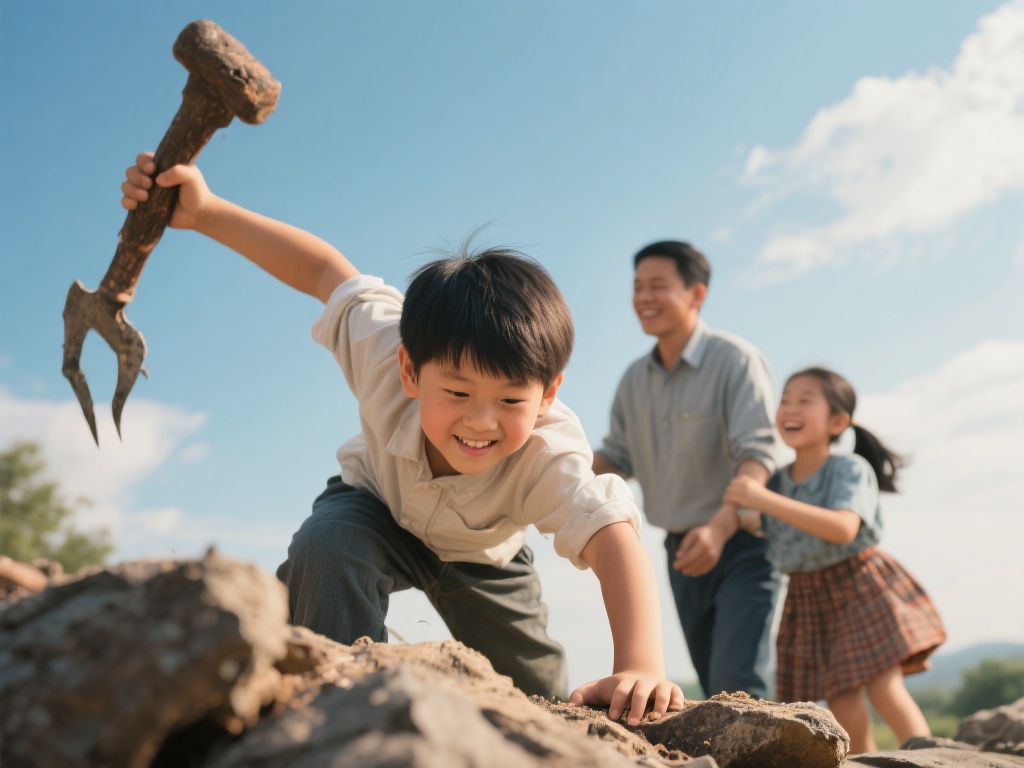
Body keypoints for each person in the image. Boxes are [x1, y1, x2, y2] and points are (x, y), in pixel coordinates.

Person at [120, 153, 684, 724]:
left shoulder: (547, 452)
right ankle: (330, 713)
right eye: (458, 394)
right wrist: (207, 212)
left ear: (547, 394)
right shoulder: (384, 346)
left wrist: (640, 662)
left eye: (512, 401)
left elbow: (613, 534)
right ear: (410, 370)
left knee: (534, 693)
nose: (482, 422)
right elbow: (323, 270)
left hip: (487, 556)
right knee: (327, 546)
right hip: (375, 510)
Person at [593, 240, 781, 700]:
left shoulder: (736, 360)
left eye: (657, 286)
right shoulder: (633, 380)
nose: (643, 298)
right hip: (683, 554)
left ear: (697, 294)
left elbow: (759, 455)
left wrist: (718, 529)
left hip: (743, 546)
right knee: (714, 684)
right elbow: (615, 457)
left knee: (739, 683)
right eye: (637, 287)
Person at [723, 367, 946, 753]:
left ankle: (928, 758)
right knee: (840, 701)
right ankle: (864, 761)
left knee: (884, 687)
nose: (789, 408)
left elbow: (843, 528)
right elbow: (750, 520)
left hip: (858, 585)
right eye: (785, 399)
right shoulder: (775, 481)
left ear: (838, 421)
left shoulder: (848, 469)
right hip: (808, 596)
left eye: (804, 400)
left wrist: (762, 500)